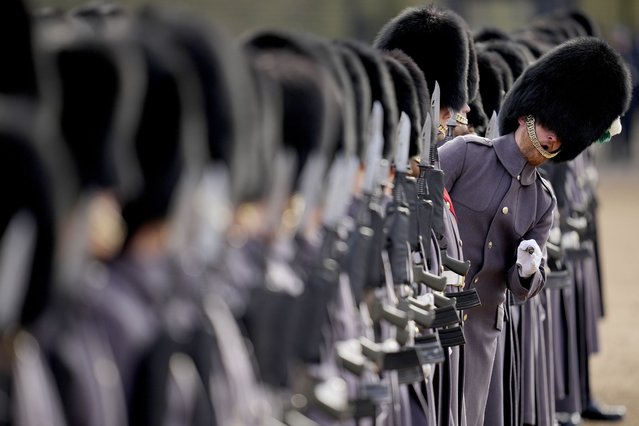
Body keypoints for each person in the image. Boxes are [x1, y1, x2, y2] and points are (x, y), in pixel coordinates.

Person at [437, 36, 631, 426]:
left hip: (481, 331)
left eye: (564, 135)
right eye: (551, 125)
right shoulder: (465, 155)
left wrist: (528, 271)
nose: (553, 138)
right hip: (439, 316)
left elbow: (523, 287)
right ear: (532, 110)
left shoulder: (543, 202)